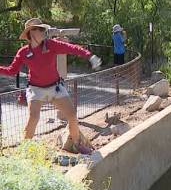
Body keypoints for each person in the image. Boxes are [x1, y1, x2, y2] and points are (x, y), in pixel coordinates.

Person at [0, 19, 102, 152]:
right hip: (35, 90)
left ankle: (77, 144)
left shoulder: (51, 44)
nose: (44, 31)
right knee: (33, 118)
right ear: (31, 32)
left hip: (55, 88)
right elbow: (12, 71)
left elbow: (71, 48)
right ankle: (24, 150)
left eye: (43, 29)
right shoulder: (23, 52)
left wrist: (90, 56)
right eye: (40, 29)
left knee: (72, 116)